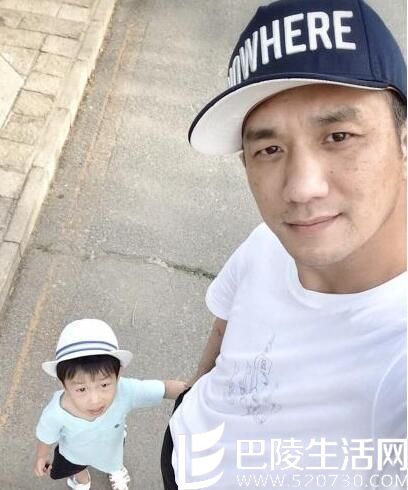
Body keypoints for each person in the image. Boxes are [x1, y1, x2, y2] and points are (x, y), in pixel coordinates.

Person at [161, 0, 407, 488]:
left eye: (339, 136)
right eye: (269, 149)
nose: (301, 189)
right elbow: (224, 329)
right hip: (187, 443)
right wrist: (194, 394)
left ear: (403, 139)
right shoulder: (269, 241)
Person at [34, 318, 187, 490]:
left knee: (113, 460)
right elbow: (46, 436)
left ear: (118, 373)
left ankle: (115, 469)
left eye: (104, 385)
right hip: (74, 454)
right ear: (63, 384)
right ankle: (81, 479)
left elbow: (164, 389)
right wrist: (42, 456)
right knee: (76, 467)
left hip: (111, 447)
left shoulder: (125, 390)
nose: (95, 400)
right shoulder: (55, 413)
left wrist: (197, 392)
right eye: (81, 389)